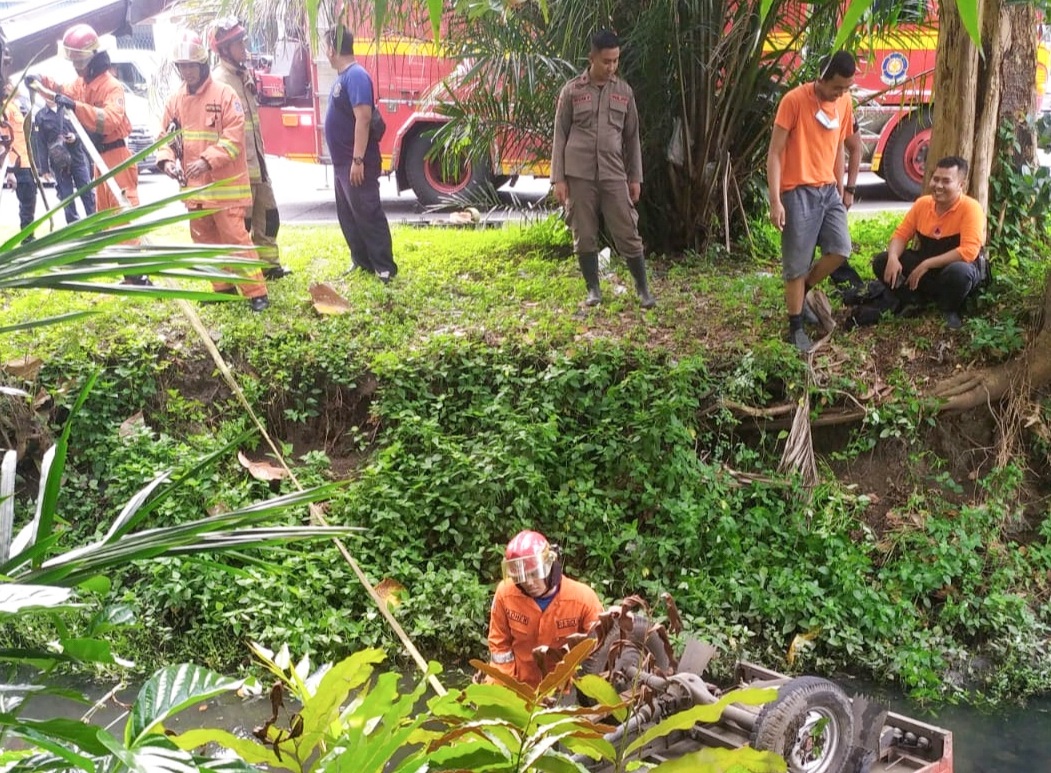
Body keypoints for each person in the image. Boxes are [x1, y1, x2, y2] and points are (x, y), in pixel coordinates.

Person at [155, 30, 270, 312]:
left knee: (235, 239)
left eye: (191, 66)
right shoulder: (175, 101)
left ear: (202, 64)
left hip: (224, 187)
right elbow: (165, 138)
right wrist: (167, 161)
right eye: (182, 66)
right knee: (205, 239)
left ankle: (257, 293)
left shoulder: (224, 94)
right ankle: (222, 287)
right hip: (194, 190)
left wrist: (207, 160)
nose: (187, 72)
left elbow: (234, 137)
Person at [28, 24, 148, 283]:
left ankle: (138, 274)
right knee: (106, 216)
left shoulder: (110, 86)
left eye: (79, 61)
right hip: (98, 158)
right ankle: (128, 273)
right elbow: (60, 91)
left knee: (124, 215)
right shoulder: (81, 84)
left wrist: (78, 107)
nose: (76, 66)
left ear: (93, 58)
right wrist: (39, 82)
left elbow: (111, 120)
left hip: (116, 156)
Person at [551, 29, 654, 309]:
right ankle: (593, 290)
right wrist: (557, 178)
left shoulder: (624, 92)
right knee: (584, 233)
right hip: (579, 173)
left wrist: (635, 177)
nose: (611, 67)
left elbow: (632, 137)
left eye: (615, 61)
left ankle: (643, 290)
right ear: (592, 58)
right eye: (606, 61)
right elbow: (560, 134)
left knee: (627, 230)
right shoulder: (571, 91)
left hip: (613, 172)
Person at [767, 51, 856, 352]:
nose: (841, 93)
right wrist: (775, 200)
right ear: (822, 77)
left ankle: (802, 290)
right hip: (797, 191)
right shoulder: (793, 101)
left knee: (841, 248)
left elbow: (840, 148)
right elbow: (775, 152)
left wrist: (843, 189)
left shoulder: (844, 102)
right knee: (796, 262)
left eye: (846, 88)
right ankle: (795, 326)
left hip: (828, 190)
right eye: (837, 87)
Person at [210, 17, 291, 281]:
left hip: (259, 164)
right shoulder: (219, 83)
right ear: (224, 49)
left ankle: (269, 266)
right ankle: (242, 274)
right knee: (240, 226)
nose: (244, 47)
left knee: (269, 217)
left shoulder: (242, 76)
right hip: (239, 170)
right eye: (238, 43)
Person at [872, 155, 986, 329]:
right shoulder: (922, 204)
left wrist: (927, 264)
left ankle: (949, 310)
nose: (938, 186)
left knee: (959, 272)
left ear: (961, 185)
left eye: (946, 181)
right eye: (936, 179)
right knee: (882, 261)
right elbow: (900, 235)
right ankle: (913, 301)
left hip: (955, 268)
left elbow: (969, 251)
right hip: (926, 268)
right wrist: (893, 257)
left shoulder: (971, 208)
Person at [323, 25, 397, 284]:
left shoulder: (356, 76)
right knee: (349, 214)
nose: (326, 53)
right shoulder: (343, 76)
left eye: (326, 47)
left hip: (356, 162)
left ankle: (384, 266)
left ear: (332, 48)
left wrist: (358, 160)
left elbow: (363, 118)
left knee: (367, 211)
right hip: (342, 162)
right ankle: (362, 260)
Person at [486, 529, 603, 688]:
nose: (529, 583)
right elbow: (499, 647)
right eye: (522, 577)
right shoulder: (505, 594)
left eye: (535, 573)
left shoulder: (583, 599)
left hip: (565, 691)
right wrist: (503, 693)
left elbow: (600, 650)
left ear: (549, 565)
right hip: (520, 687)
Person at [33, 95, 96, 224]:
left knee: (87, 192)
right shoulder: (40, 116)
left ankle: (95, 225)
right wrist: (44, 169)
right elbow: (41, 144)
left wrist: (75, 137)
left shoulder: (69, 109)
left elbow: (86, 131)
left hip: (77, 157)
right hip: (59, 162)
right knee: (66, 197)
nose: (48, 97)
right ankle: (73, 228)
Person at [2, 84, 37, 242]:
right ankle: (27, 239)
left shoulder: (14, 106)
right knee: (26, 203)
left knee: (29, 200)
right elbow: (4, 140)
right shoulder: (6, 108)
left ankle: (28, 237)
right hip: (17, 164)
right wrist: (9, 170)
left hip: (25, 160)